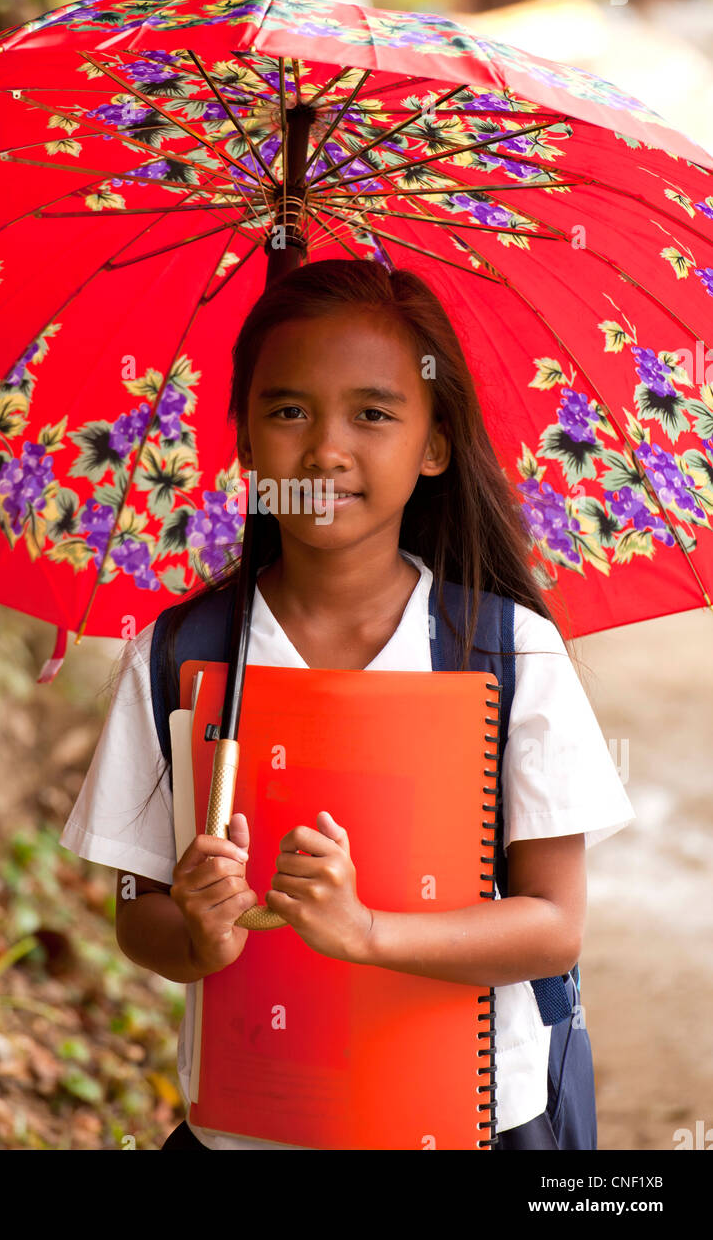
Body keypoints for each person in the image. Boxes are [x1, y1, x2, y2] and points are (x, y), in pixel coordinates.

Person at [59, 258, 635, 1150]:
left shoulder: (506, 652)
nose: (326, 449)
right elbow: (141, 912)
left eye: (372, 413)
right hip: (255, 1128)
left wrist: (366, 933)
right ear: (246, 440)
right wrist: (202, 936)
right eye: (288, 409)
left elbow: (553, 925)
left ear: (434, 446)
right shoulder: (181, 656)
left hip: (473, 1120)